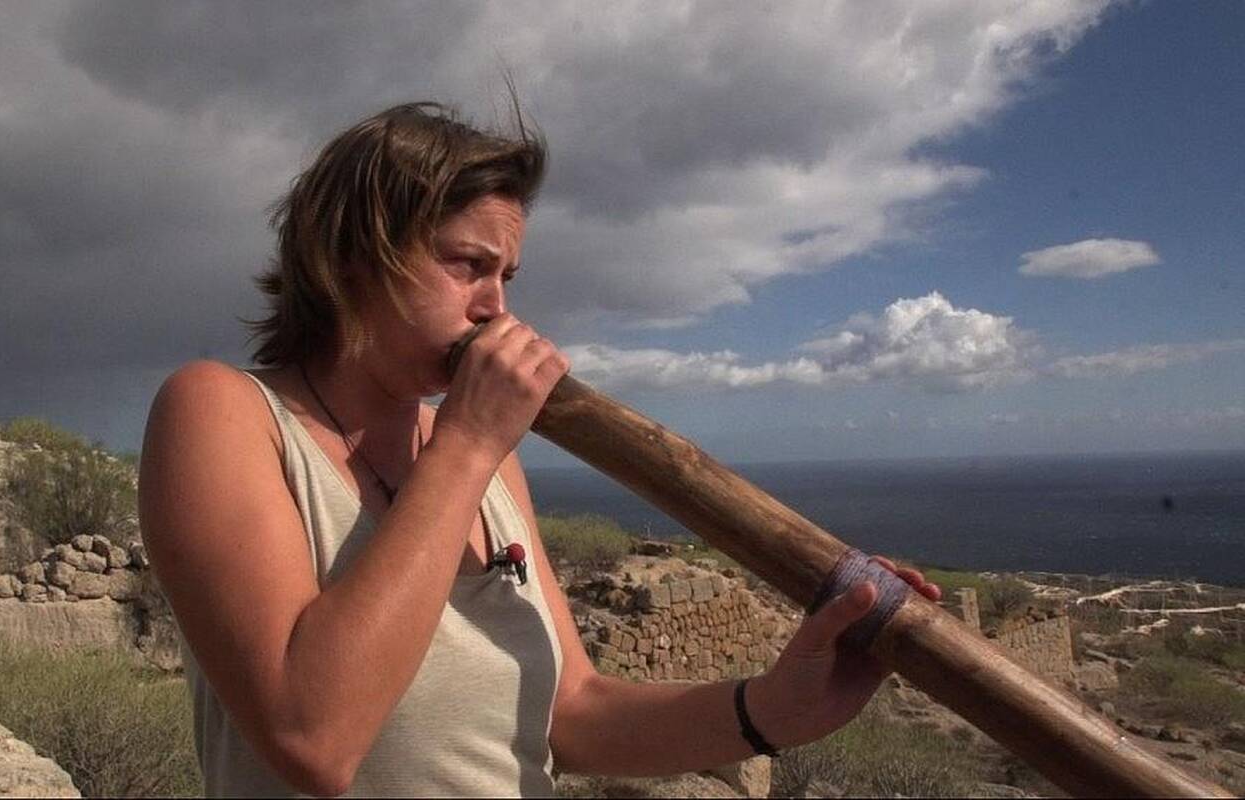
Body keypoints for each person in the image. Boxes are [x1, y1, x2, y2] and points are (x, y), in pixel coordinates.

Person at [137, 101, 941, 798]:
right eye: (468, 265)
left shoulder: (480, 463)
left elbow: (572, 715)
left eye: (508, 276)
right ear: (352, 256)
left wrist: (769, 710)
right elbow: (311, 738)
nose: (497, 308)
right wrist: (467, 443)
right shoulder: (222, 411)